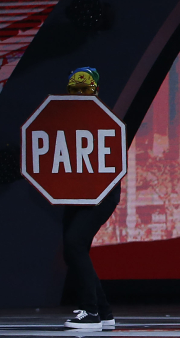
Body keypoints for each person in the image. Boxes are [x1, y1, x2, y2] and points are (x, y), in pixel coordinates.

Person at [62, 67, 121, 330]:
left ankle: (91, 311)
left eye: (85, 89)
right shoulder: (61, 118)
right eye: (74, 90)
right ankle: (105, 313)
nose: (79, 94)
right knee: (74, 248)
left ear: (95, 91)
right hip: (74, 194)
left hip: (101, 193)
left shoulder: (103, 118)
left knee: (74, 243)